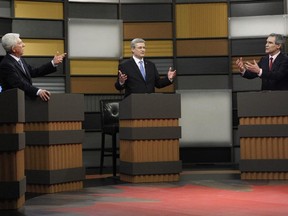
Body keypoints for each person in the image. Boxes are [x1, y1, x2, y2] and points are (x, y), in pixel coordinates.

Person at [0, 33, 66, 101]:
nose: (24, 45)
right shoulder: (6, 64)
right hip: (14, 104)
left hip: (25, 102)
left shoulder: (20, 60)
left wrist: (53, 63)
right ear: (13, 49)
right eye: (20, 43)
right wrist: (38, 91)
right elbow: (19, 83)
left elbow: (34, 72)